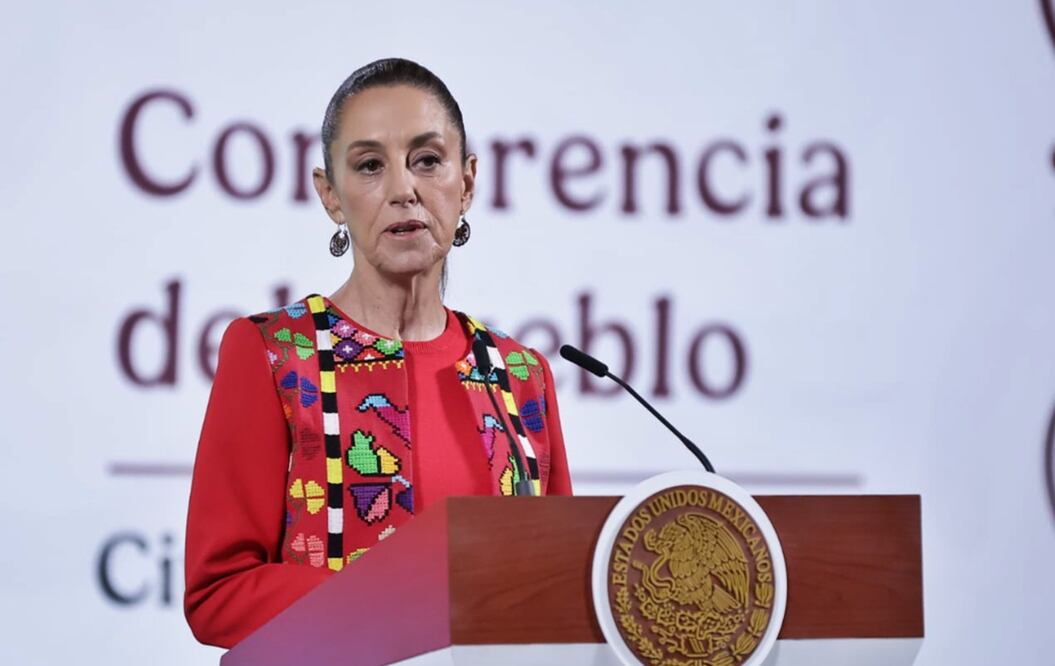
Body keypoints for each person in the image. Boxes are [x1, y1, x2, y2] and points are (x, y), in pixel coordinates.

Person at [183, 58, 573, 648]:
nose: (402, 190)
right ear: (331, 196)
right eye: (369, 166)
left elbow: (559, 590)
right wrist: (402, 599)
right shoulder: (275, 355)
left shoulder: (520, 377)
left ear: (466, 183)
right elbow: (218, 592)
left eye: (428, 160)